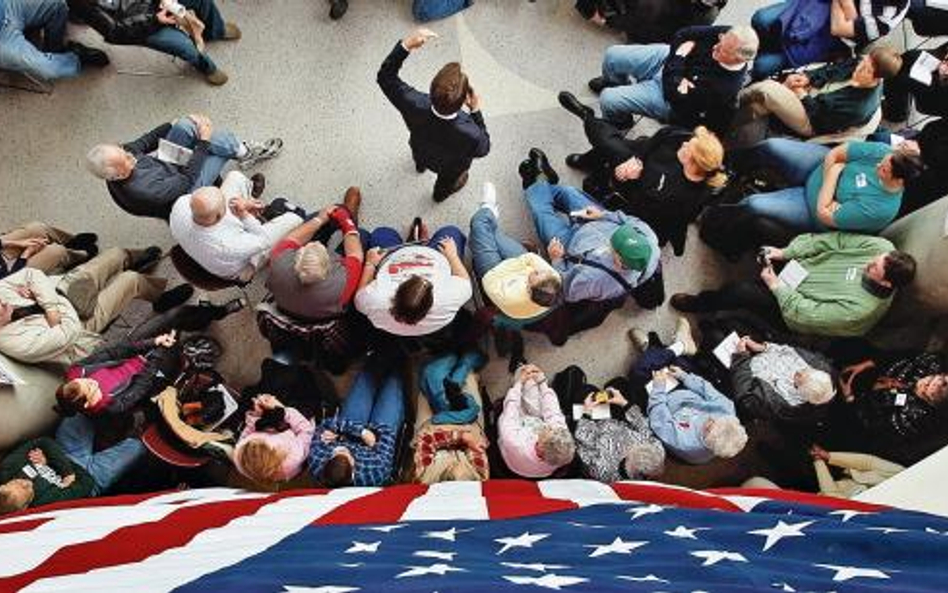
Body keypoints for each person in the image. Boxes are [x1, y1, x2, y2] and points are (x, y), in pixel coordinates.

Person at [557, 94, 727, 255]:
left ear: (693, 164)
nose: (684, 143)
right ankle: (588, 117)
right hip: (641, 159)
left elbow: (641, 210)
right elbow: (657, 139)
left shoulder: (682, 198)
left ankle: (596, 163)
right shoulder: (683, 139)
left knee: (609, 163)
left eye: (687, 148)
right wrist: (637, 161)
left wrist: (623, 177)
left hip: (640, 196)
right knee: (609, 144)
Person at [671, 233, 917, 337]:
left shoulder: (860, 309)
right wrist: (785, 252)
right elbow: (833, 241)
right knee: (766, 231)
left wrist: (776, 286)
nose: (869, 264)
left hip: (791, 307)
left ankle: (701, 303)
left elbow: (807, 315)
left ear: (885, 282)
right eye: (875, 260)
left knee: (741, 291)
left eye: (874, 268)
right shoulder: (881, 248)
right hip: (800, 267)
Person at [519, 148, 664, 309]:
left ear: (618, 261)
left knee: (541, 212)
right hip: (595, 220)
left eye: (614, 241)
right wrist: (601, 215)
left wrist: (557, 259)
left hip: (569, 245)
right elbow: (628, 220)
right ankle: (539, 182)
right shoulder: (649, 239)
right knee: (568, 193)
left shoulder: (596, 281)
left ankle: (539, 180)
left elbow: (565, 290)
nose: (614, 236)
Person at [0, 246, 192, 365]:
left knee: (115, 254)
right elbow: (69, 332)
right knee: (130, 280)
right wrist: (40, 294)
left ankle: (138, 260)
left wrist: (50, 307)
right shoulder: (17, 343)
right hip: (81, 322)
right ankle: (159, 298)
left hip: (61, 290)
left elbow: (32, 274)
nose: (2, 301)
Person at [87, 114, 282, 221]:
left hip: (167, 169)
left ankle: (241, 152)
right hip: (183, 194)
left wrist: (172, 123)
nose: (131, 155)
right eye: (127, 160)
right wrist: (203, 142)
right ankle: (244, 153)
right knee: (215, 150)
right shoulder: (143, 191)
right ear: (117, 175)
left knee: (184, 126)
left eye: (125, 152)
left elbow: (146, 141)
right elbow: (187, 179)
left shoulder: (121, 158)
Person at [377, 28, 490, 202]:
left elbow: (385, 76)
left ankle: (420, 167)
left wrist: (406, 45)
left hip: (420, 148)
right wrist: (475, 111)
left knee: (420, 157)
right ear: (463, 101)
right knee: (445, 183)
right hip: (450, 168)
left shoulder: (412, 102)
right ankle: (439, 195)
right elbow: (484, 149)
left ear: (431, 89)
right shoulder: (472, 132)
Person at [589, 24, 758, 132]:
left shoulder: (724, 88)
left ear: (739, 59)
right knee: (612, 54)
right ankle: (615, 82)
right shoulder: (729, 35)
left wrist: (681, 55)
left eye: (722, 51)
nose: (715, 46)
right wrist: (678, 65)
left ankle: (620, 121)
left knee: (608, 99)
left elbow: (672, 94)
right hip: (669, 62)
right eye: (719, 40)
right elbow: (683, 33)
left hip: (667, 97)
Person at [736, 139, 923, 234]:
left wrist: (834, 175)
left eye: (883, 169)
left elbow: (824, 215)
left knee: (754, 204)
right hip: (819, 167)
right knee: (771, 146)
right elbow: (835, 154)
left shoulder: (881, 209)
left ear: (899, 180)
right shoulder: (886, 152)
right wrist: (829, 185)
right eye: (882, 161)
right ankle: (731, 164)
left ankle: (715, 227)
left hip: (810, 208)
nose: (877, 165)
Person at [628, 321, 748, 464]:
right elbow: (706, 389)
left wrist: (658, 388)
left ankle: (659, 347)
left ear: (707, 443)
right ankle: (660, 349)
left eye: (708, 427)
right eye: (715, 419)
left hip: (661, 405)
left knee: (638, 372)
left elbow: (659, 419)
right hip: (684, 390)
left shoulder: (685, 443)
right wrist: (685, 377)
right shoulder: (727, 412)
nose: (710, 420)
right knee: (677, 364)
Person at [169, 171, 305, 281]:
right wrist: (244, 215)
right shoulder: (227, 247)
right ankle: (296, 218)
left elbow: (220, 209)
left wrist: (245, 204)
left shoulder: (182, 204)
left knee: (235, 177)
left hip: (207, 243)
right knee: (295, 218)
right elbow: (264, 239)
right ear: (218, 216)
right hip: (240, 266)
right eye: (224, 205)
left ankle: (251, 195)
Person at [739, 47, 901, 139]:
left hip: (812, 119)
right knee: (758, 104)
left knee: (767, 89)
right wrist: (807, 77)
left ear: (876, 78)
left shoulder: (860, 107)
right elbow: (830, 70)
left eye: (865, 69)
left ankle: (733, 100)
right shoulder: (862, 62)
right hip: (813, 94)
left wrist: (801, 95)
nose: (858, 67)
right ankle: (732, 117)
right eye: (864, 61)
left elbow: (821, 120)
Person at [67, 0, 242, 85]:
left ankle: (215, 30)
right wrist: (155, 20)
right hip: (140, 25)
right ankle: (207, 67)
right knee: (184, 46)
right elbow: (115, 33)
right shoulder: (81, 3)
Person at [0, 415, 146, 513]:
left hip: (64, 453)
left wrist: (66, 471)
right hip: (90, 474)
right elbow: (86, 483)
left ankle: (117, 416)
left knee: (76, 414)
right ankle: (134, 430)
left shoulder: (6, 471)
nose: (26, 482)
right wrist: (52, 460)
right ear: (25, 507)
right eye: (27, 490)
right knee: (138, 447)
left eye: (18, 482)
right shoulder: (43, 505)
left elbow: (42, 441)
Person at [354, 219, 471, 338]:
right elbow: (465, 281)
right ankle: (421, 243)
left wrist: (370, 264)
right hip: (435, 256)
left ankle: (414, 242)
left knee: (382, 232)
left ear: (396, 293)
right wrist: (452, 256)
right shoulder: (449, 297)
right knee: (451, 231)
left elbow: (359, 296)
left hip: (393, 258)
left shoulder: (375, 298)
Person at [266, 187, 363, 322]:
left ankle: (339, 216)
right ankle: (350, 212)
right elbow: (355, 255)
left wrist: (320, 219)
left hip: (290, 309)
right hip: (327, 313)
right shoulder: (342, 284)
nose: (313, 244)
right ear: (329, 265)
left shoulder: (278, 261)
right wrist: (347, 222)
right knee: (361, 236)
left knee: (281, 206)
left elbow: (293, 239)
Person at [469, 182, 562, 321]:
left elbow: (489, 281)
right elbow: (531, 257)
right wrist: (521, 263)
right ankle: (489, 217)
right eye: (542, 271)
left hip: (492, 274)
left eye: (535, 274)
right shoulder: (553, 279)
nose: (535, 270)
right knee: (488, 232)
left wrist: (519, 263)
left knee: (478, 224)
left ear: (529, 289)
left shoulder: (511, 300)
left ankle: (487, 207)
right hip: (513, 266)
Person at [308, 364, 406, 488]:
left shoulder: (316, 462)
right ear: (354, 466)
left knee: (366, 376)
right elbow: (388, 437)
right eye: (346, 453)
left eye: (337, 450)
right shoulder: (374, 473)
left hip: (350, 428)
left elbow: (325, 424)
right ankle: (400, 359)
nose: (343, 449)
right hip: (381, 432)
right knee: (393, 382)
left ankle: (380, 353)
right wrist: (368, 435)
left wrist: (360, 431)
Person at [839, 350, 948, 461]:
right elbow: (903, 354)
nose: (923, 381)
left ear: (934, 403)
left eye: (926, 390)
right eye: (932, 379)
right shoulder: (933, 363)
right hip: (872, 364)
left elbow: (867, 424)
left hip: (854, 403)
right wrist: (867, 364)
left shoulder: (911, 419)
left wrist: (849, 397)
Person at [54, 330, 182, 417]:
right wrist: (158, 352)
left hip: (132, 353)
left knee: (172, 317)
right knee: (175, 344)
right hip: (151, 371)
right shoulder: (113, 406)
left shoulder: (76, 371)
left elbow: (111, 353)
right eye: (89, 386)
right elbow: (142, 384)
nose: (90, 380)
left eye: (82, 380)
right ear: (87, 403)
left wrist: (152, 342)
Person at [410, 351, 489, 484]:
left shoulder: (424, 476)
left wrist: (459, 437)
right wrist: (464, 438)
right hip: (466, 421)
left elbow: (427, 440)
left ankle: (460, 359)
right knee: (435, 380)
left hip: (438, 422)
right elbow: (478, 443)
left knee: (431, 378)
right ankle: (461, 362)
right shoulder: (479, 477)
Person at [729, 335, 836, 426]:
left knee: (717, 337)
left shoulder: (781, 406)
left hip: (739, 366)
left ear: (799, 390)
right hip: (757, 350)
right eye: (805, 369)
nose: (798, 371)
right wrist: (763, 347)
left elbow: (744, 390)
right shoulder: (819, 365)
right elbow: (789, 350)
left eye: (799, 377)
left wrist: (740, 356)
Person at [573, 383, 666, 483]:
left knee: (584, 391)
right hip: (619, 420)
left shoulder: (603, 471)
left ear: (629, 458)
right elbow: (644, 427)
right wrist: (624, 403)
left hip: (594, 425)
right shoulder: (658, 451)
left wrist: (587, 414)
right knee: (620, 384)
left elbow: (582, 444)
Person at [498, 363, 575, 478]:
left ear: (540, 447)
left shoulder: (513, 441)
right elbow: (554, 414)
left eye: (547, 430)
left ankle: (520, 369)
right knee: (532, 381)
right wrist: (542, 383)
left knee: (523, 377)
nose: (549, 427)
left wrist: (519, 383)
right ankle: (526, 371)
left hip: (516, 425)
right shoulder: (561, 449)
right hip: (533, 424)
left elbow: (510, 408)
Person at [0, 0, 108, 82]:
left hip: (6, 6)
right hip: (3, 38)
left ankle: (55, 47)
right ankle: (75, 58)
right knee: (47, 69)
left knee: (58, 4)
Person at [234, 394, 315, 485]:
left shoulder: (241, 453)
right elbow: (306, 431)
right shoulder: (291, 459)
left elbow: (247, 432)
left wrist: (256, 416)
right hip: (295, 434)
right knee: (306, 402)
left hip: (278, 429)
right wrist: (283, 411)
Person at [574, 0, 723, 45]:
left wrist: (606, 21)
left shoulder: (653, 7)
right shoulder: (713, 8)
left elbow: (636, 19)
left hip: (650, 32)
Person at [0, 223, 96, 280]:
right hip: (9, 278)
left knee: (37, 228)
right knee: (56, 252)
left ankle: (70, 242)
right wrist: (25, 256)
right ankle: (76, 256)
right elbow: (6, 280)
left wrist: (16, 243)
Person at [883, 42, 948, 122]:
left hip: (942, 94)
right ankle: (898, 102)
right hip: (941, 62)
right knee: (909, 57)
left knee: (901, 79)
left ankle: (897, 114)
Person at [809, 444, 904, 498]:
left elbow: (831, 494)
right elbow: (869, 462)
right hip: (849, 469)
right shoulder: (901, 475)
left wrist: (818, 462)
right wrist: (828, 456)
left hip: (822, 487)